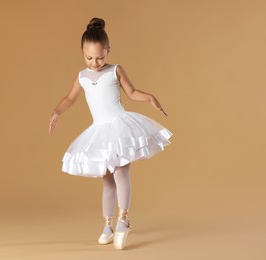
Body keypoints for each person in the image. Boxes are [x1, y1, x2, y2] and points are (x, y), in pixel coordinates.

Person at [48, 17, 173, 250]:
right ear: (82, 53)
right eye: (89, 58)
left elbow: (132, 92)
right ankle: (107, 225)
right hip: (99, 132)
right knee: (107, 180)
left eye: (100, 57)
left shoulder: (115, 70)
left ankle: (124, 220)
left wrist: (150, 98)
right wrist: (56, 112)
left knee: (120, 172)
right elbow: (69, 98)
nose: (95, 62)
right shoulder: (82, 77)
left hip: (120, 126)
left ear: (108, 51)